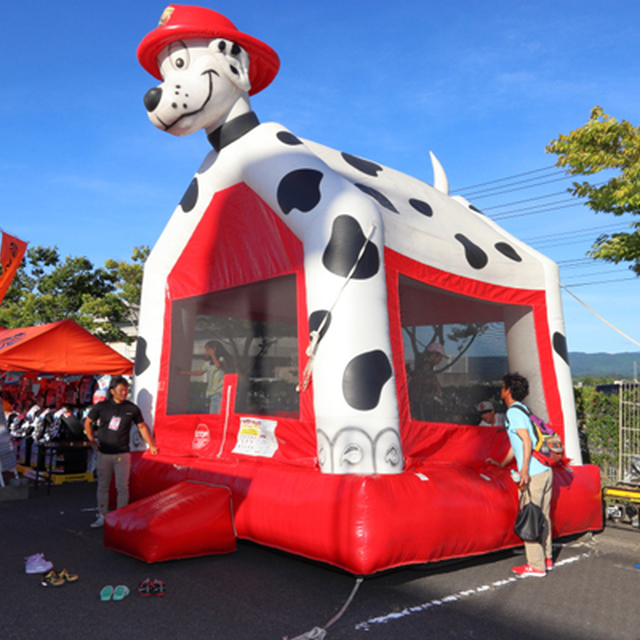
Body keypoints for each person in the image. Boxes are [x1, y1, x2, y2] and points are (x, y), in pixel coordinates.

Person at [487, 372, 553, 577]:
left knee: (530, 516)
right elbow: (517, 444)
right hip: (545, 471)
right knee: (543, 516)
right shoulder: (524, 410)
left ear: (507, 390)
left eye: (502, 387)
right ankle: (547, 558)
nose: (501, 390)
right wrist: (502, 463)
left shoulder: (513, 413)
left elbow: (526, 441)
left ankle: (536, 565)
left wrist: (523, 469)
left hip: (532, 473)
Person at [84, 375, 158, 528]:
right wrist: (91, 441)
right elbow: (88, 422)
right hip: (104, 453)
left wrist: (151, 445)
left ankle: (120, 516)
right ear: (112, 391)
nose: (124, 393)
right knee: (103, 485)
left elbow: (142, 426)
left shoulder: (131, 408)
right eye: (121, 390)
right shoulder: (102, 406)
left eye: (126, 390)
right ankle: (102, 515)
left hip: (122, 454)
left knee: (122, 486)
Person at [181, 340, 231, 413]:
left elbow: (218, 365)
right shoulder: (208, 364)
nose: (206, 352)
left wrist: (212, 354)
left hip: (220, 392)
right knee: (213, 414)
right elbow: (199, 372)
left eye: (207, 349)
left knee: (218, 415)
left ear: (214, 350)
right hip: (212, 393)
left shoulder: (221, 359)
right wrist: (184, 372)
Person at [409, 342, 448, 421]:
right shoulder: (426, 367)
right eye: (439, 357)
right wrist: (435, 383)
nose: (440, 360)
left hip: (424, 404)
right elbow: (418, 380)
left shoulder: (426, 367)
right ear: (433, 355)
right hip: (421, 404)